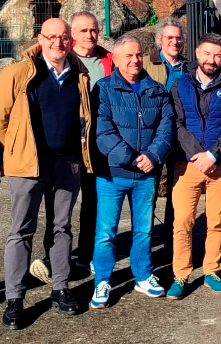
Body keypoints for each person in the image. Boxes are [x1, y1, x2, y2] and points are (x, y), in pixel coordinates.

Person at [0, 18, 93, 329]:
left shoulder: (79, 74)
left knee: (61, 228)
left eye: (63, 38)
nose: (57, 43)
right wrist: (15, 146)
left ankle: (60, 288)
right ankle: (15, 298)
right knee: (21, 230)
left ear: (71, 41)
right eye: (51, 37)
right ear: (40, 38)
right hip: (28, 166)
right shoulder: (20, 73)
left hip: (67, 163)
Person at [89, 35, 174, 309]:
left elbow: (166, 127)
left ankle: (143, 275)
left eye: (138, 54)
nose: (135, 60)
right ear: (115, 58)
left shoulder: (157, 90)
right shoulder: (103, 89)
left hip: (145, 175)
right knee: (105, 232)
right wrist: (132, 158)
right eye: (128, 55)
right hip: (113, 175)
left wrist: (152, 155)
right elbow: (102, 131)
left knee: (144, 230)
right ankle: (103, 279)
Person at [31, 11, 112, 283]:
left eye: (94, 30)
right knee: (57, 208)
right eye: (83, 31)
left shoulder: (107, 61)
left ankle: (85, 256)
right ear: (72, 35)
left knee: (93, 202)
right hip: (66, 148)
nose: (90, 35)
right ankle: (52, 257)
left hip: (98, 147)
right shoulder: (64, 62)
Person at [167, 33, 221, 299]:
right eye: (207, 54)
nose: (212, 60)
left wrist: (213, 154)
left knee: (217, 221)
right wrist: (198, 154)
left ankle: (211, 270)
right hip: (187, 165)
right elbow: (176, 123)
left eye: (218, 55)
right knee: (183, 222)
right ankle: (181, 274)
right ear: (197, 53)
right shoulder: (179, 86)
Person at [142, 16, 188, 254]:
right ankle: (145, 242)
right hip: (152, 138)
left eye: (178, 38)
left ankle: (171, 241)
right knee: (148, 191)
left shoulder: (189, 67)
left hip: (180, 138)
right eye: (169, 37)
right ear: (160, 40)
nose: (174, 42)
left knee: (176, 191)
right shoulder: (146, 65)